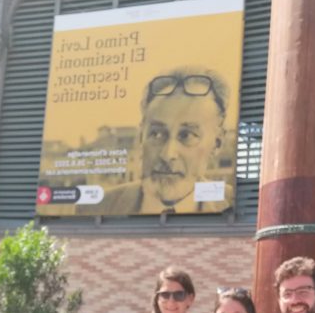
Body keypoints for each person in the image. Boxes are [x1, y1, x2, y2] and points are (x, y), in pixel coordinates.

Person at [95, 69, 233, 215]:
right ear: (141, 136)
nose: (167, 154)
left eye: (186, 135)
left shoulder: (235, 203)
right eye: (157, 134)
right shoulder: (97, 207)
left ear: (217, 143)